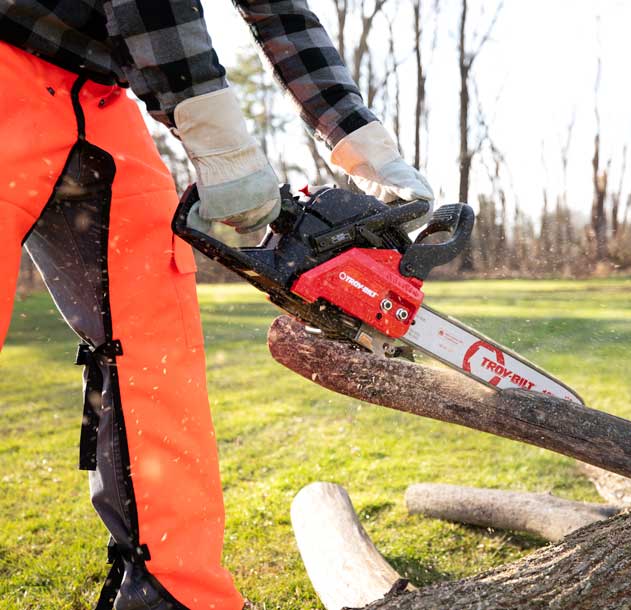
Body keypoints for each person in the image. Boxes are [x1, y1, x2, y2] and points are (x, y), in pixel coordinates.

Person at [0, 1, 433, 608]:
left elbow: (282, 14)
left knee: (155, 347)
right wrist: (221, 142)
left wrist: (368, 148)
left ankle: (174, 591)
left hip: (97, 99)